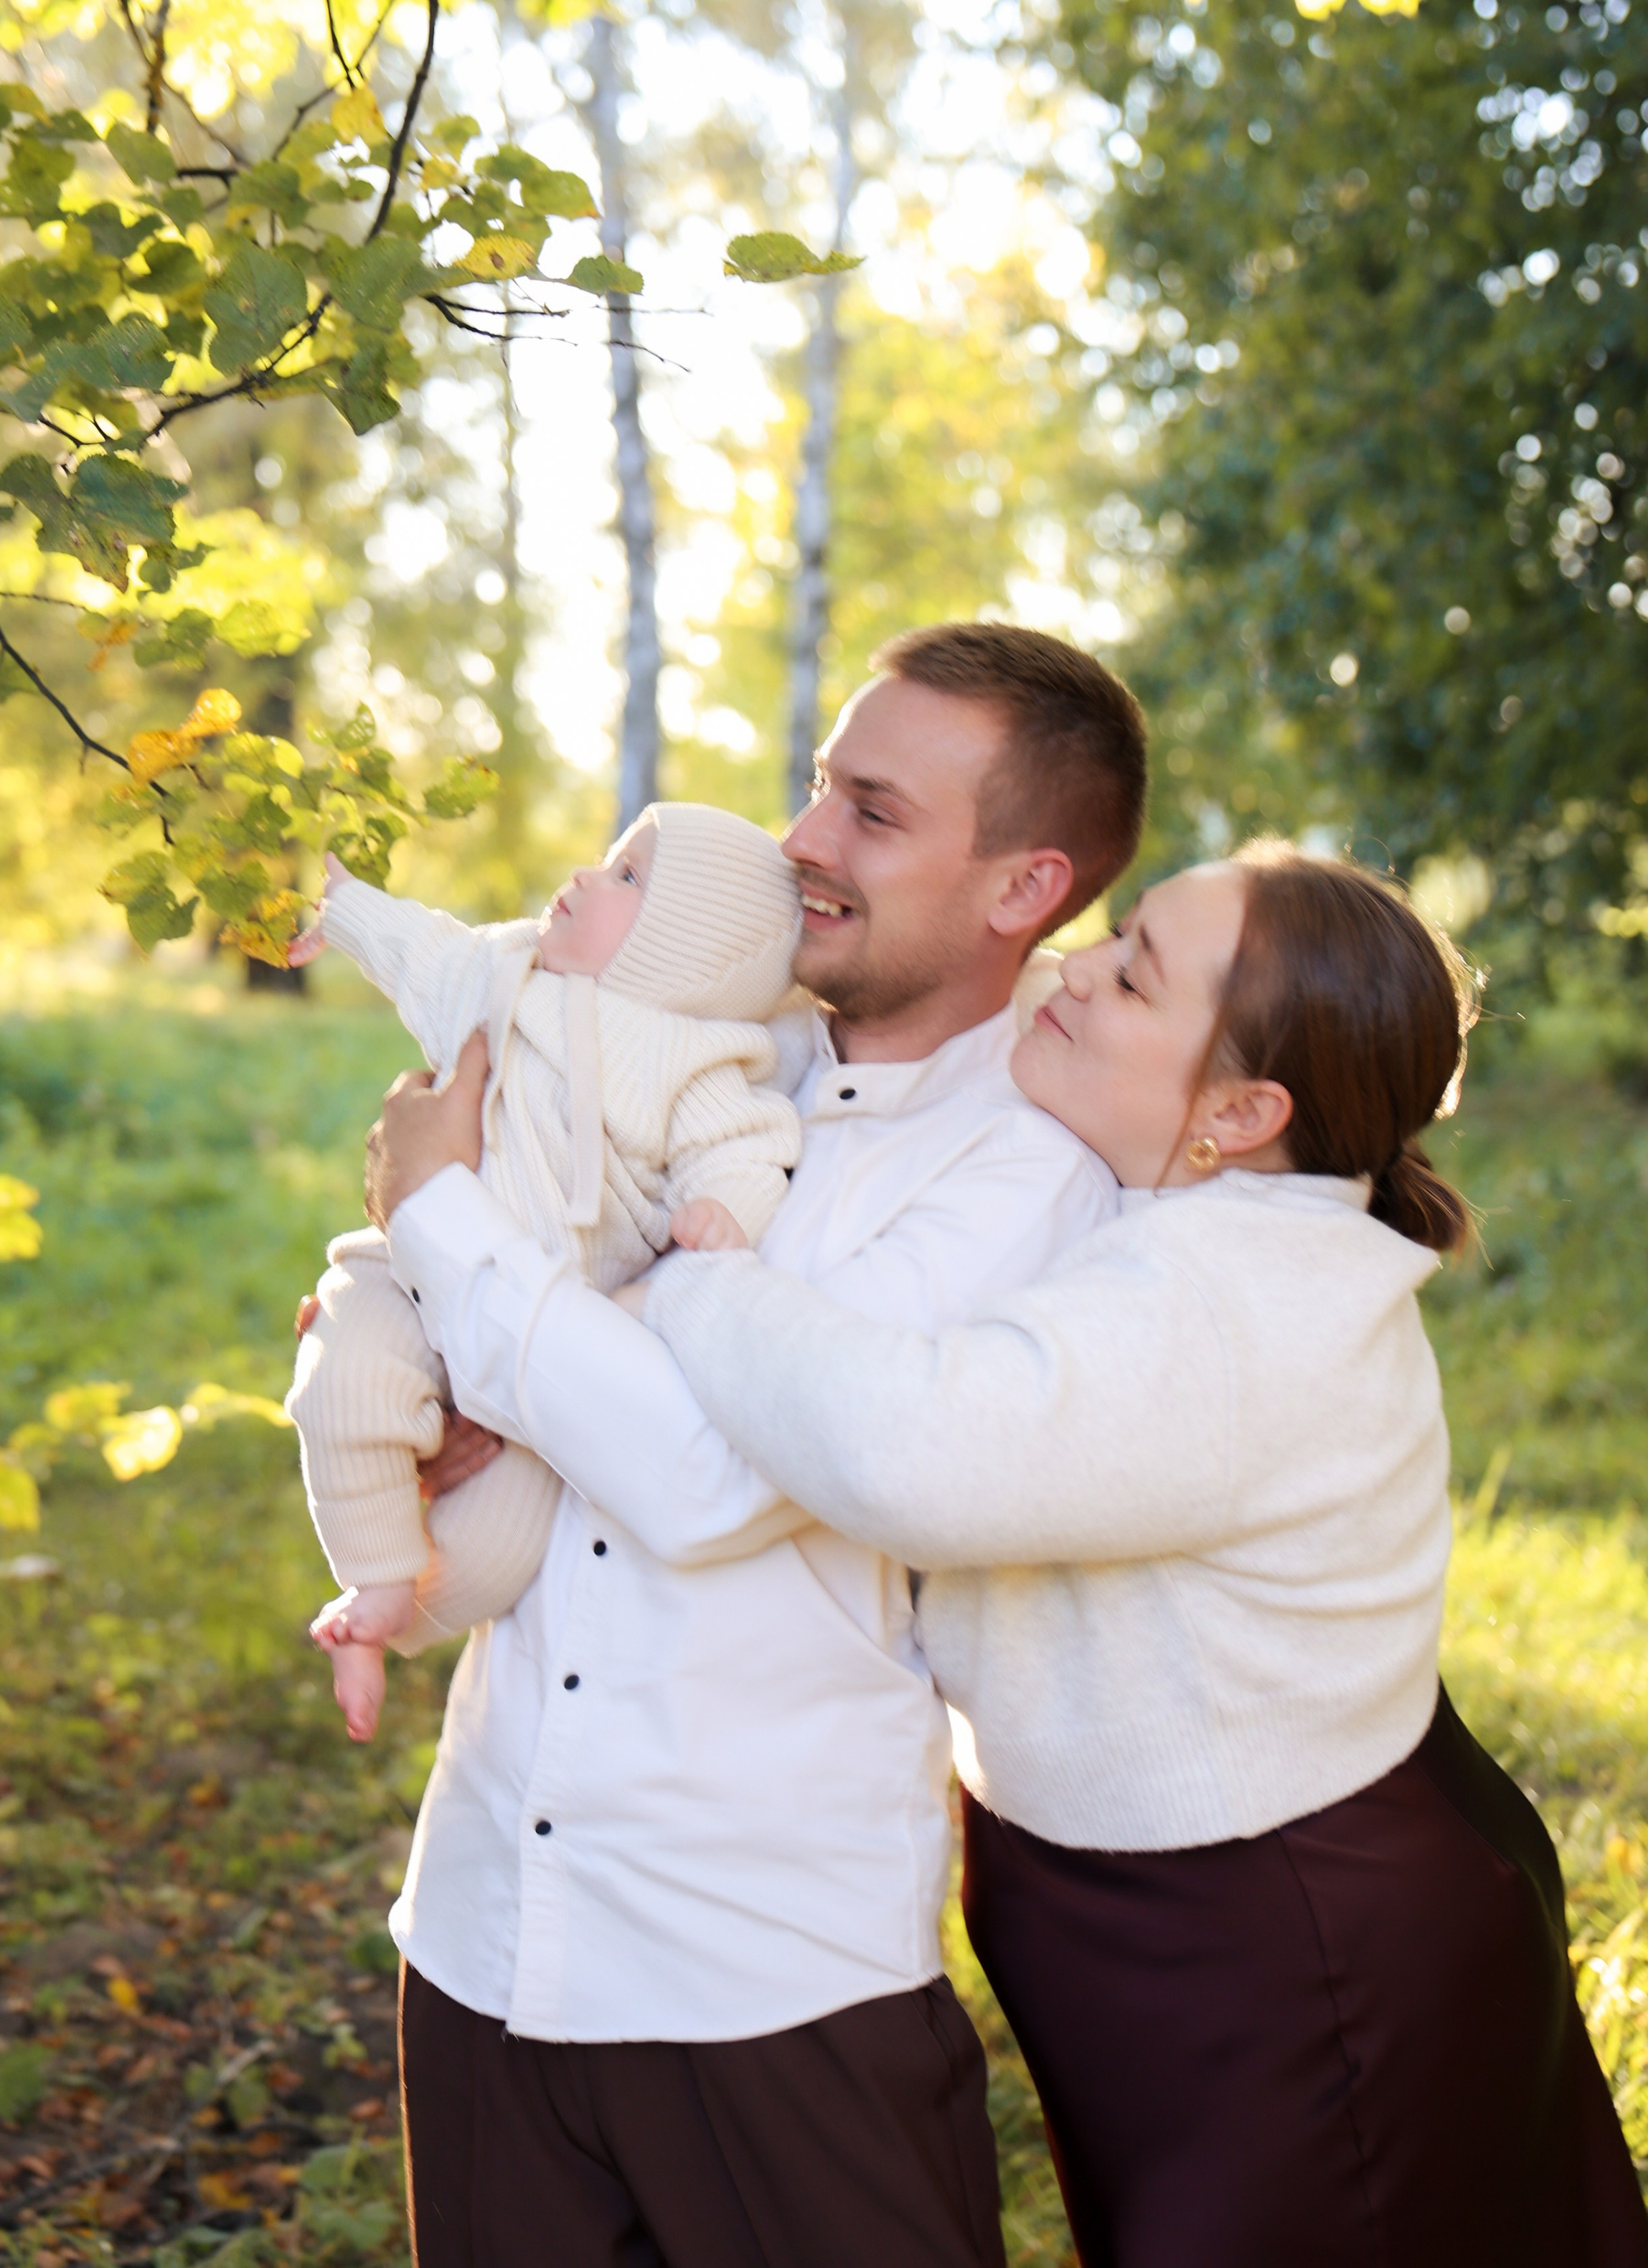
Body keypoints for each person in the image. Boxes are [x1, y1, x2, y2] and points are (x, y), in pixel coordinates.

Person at [633, 842, 1648, 2268]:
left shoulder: (1236, 1298)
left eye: (1131, 978)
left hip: (1295, 1940)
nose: (1069, 970)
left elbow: (906, 1451)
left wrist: (690, 1287)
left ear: (1238, 1112)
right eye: (1111, 942)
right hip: (1178, 1911)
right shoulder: (1168, 1204)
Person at [353, 622, 1149, 2268]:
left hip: (767, 1976)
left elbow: (723, 1483)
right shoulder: (707, 1052)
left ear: (1023, 888)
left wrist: (438, 1221)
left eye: (869, 810)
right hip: (491, 1921)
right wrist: (434, 1384)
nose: (798, 843)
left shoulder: (1031, 1168)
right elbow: (506, 1336)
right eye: (813, 789)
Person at [285, 801, 804, 1741]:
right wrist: (350, 908)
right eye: (609, 861)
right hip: (408, 1277)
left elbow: (746, 1148)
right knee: (343, 1377)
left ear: (688, 952)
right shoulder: (506, 976)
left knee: (501, 1545)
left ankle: (395, 1619)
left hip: (546, 1324)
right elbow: (424, 950)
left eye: (628, 879)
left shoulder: (698, 1062)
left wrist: (728, 1210)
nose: (587, 878)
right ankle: (371, 1573)